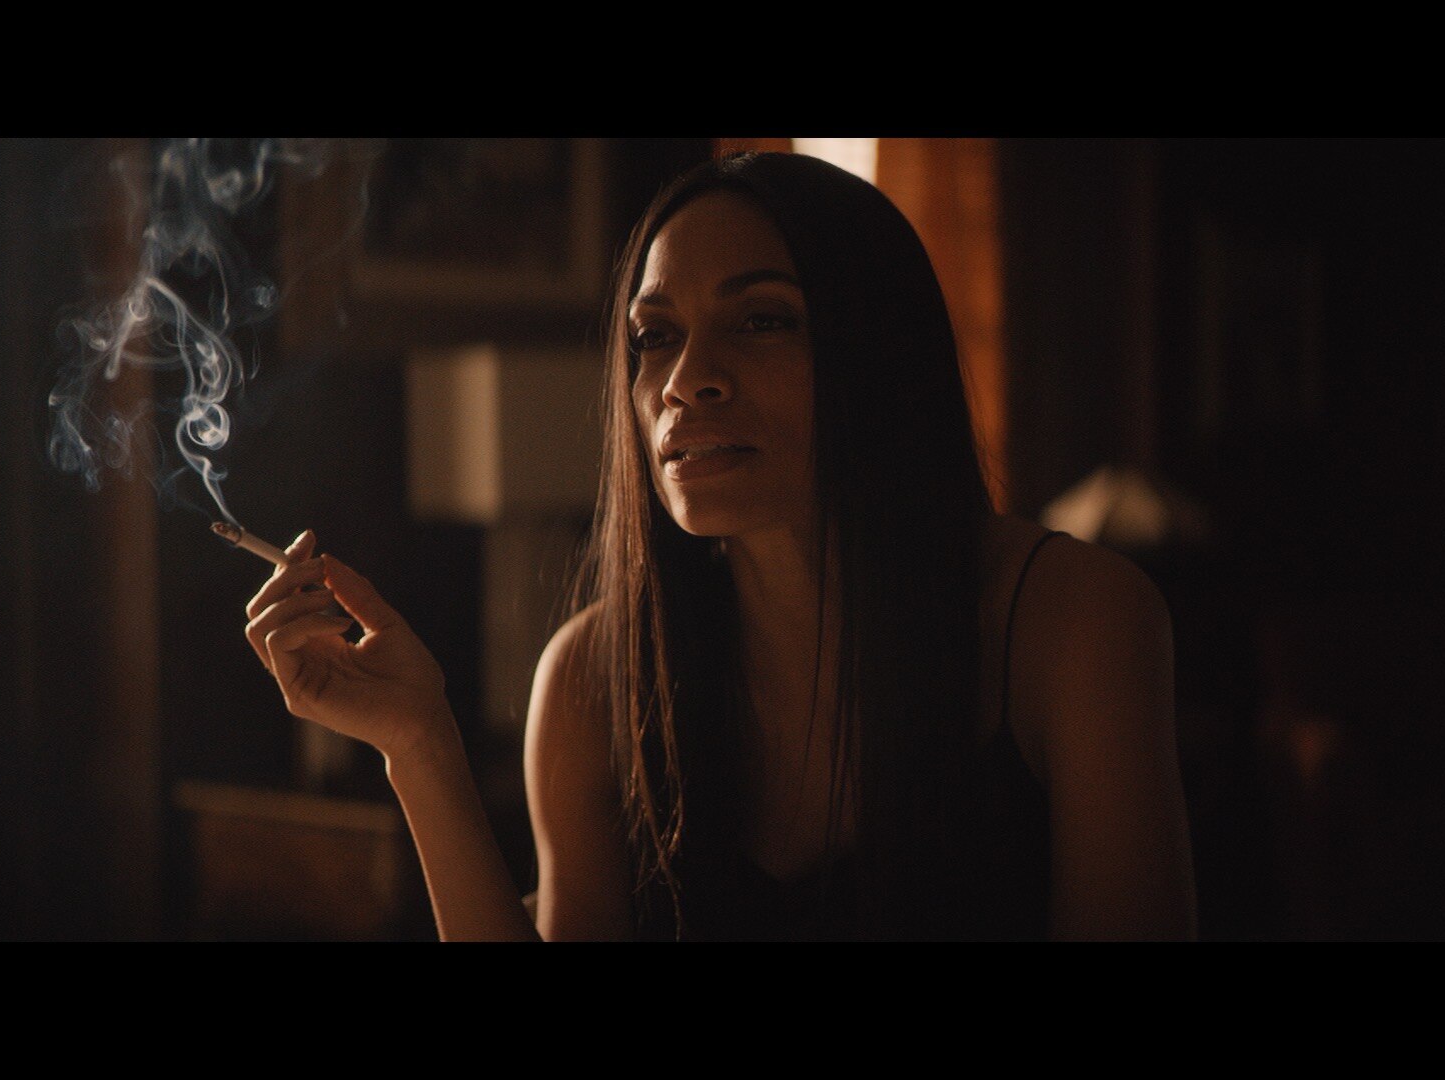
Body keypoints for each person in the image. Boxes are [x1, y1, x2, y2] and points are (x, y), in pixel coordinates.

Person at [240, 151, 1197, 940]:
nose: (686, 380)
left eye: (762, 320)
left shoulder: (1074, 623)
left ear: (878, 349)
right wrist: (419, 745)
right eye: (654, 337)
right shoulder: (589, 681)